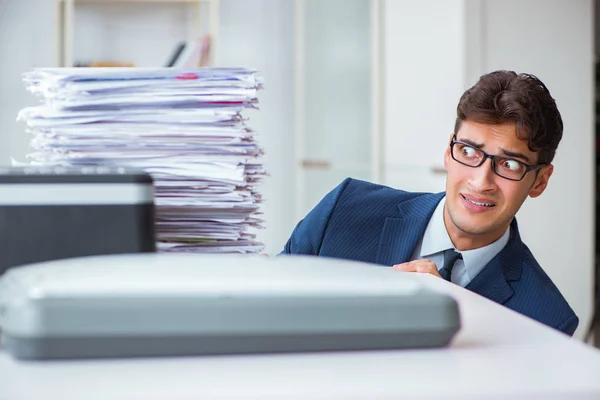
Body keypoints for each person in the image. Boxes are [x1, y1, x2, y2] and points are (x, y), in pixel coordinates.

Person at [281, 70, 579, 336]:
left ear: (539, 181)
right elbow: (266, 311)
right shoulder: (343, 210)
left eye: (510, 165)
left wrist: (453, 315)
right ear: (449, 152)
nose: (480, 181)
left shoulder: (547, 318)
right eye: (469, 152)